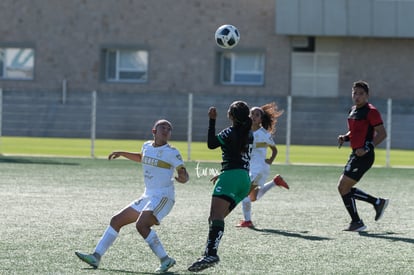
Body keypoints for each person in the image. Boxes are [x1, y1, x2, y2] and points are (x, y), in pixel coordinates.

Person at [75, 119, 189, 273]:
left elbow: (183, 173)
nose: (167, 130)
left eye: (169, 128)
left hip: (164, 197)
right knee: (116, 220)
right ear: (154, 131)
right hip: (148, 195)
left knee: (142, 225)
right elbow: (141, 157)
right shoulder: (147, 146)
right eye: (163, 127)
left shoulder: (172, 152)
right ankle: (96, 256)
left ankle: (165, 259)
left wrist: (183, 178)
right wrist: (122, 153)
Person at [188, 101, 253, 272]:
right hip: (244, 179)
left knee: (215, 216)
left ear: (231, 115)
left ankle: (211, 254)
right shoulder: (249, 133)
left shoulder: (230, 132)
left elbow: (211, 143)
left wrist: (211, 121)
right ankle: (209, 253)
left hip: (231, 177)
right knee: (216, 219)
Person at [337, 80, 388, 232]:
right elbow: (355, 132)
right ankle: (377, 203)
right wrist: (345, 138)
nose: (357, 96)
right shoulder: (353, 110)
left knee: (343, 186)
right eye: (355, 93)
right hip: (355, 154)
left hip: (365, 156)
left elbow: (382, 134)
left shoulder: (371, 111)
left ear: (367, 96)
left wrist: (367, 147)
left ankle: (357, 222)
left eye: (361, 94)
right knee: (343, 187)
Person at [237, 102, 289, 228]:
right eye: (251, 114)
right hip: (253, 168)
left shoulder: (264, 134)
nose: (253, 116)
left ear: (261, 119)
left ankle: (248, 221)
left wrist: (270, 159)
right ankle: (275, 182)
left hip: (259, 169)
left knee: (244, 194)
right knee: (253, 197)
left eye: (257, 115)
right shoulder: (245, 132)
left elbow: (275, 150)